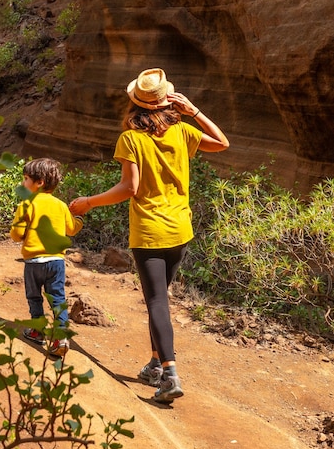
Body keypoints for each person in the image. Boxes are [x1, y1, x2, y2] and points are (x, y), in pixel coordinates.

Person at [69, 68, 229, 403]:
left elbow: (130, 188)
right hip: (180, 230)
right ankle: (156, 364)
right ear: (167, 99)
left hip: (150, 232)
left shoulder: (131, 138)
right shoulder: (182, 131)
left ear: (136, 104)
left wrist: (87, 202)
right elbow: (222, 143)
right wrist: (193, 111)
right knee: (161, 298)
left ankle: (170, 374)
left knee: (157, 302)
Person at [10, 157, 84, 357]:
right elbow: (72, 228)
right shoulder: (60, 206)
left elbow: (17, 234)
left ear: (39, 182)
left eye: (25, 179)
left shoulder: (26, 204)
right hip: (56, 263)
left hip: (34, 263)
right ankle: (60, 338)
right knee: (58, 298)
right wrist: (79, 218)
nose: (23, 184)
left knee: (34, 297)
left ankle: (38, 330)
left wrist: (22, 233)